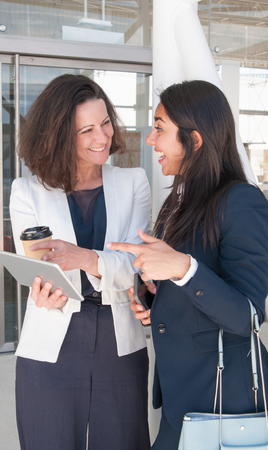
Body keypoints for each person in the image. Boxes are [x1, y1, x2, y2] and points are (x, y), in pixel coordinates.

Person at [106, 79, 268, 450]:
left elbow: (248, 316)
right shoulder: (177, 202)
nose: (149, 140)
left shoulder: (241, 202)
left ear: (194, 140)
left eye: (160, 129)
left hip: (225, 398)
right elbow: (180, 286)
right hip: (182, 393)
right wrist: (151, 298)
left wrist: (184, 269)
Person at [9, 74, 151, 450]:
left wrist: (85, 258)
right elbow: (37, 267)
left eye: (105, 123)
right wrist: (40, 288)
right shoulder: (26, 191)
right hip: (51, 337)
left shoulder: (134, 181)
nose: (102, 138)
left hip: (118, 338)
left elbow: (137, 264)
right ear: (58, 136)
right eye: (86, 130)